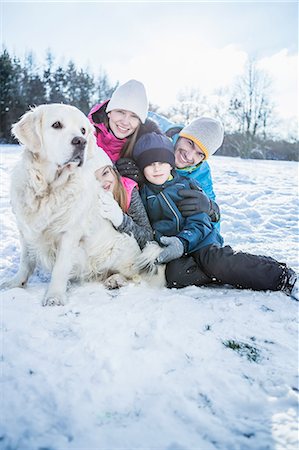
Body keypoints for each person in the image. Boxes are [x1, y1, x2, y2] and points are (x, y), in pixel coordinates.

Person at [132, 132, 298, 300]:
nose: (157, 168)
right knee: (174, 276)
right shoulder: (143, 193)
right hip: (175, 248)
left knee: (216, 262)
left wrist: (184, 241)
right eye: (150, 164)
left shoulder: (186, 185)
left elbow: (201, 221)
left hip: (201, 241)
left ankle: (280, 276)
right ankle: (217, 273)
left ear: (170, 164)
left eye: (162, 162)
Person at [90, 150, 153, 250]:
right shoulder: (89, 200)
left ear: (114, 171)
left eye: (105, 173)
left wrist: (120, 220)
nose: (102, 182)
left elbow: (148, 238)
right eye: (95, 179)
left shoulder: (128, 191)